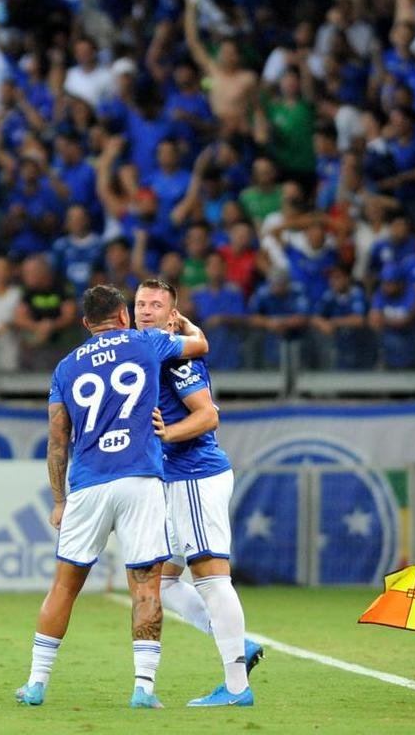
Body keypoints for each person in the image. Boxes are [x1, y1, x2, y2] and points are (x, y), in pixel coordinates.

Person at [14, 283, 209, 709]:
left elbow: (56, 441)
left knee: (64, 587)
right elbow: (199, 346)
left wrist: (59, 501)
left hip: (88, 483)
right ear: (124, 315)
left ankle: (36, 684)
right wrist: (185, 324)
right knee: (146, 586)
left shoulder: (65, 368)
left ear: (86, 324)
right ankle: (143, 689)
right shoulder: (146, 341)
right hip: (140, 479)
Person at [133, 278, 261, 707]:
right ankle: (235, 642)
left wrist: (167, 434)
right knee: (165, 580)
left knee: (210, 577)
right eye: (140, 303)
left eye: (156, 305)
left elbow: (207, 416)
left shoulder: (176, 361)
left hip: (194, 475)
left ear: (173, 316)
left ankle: (238, 687)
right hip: (173, 480)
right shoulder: (154, 351)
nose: (146, 310)